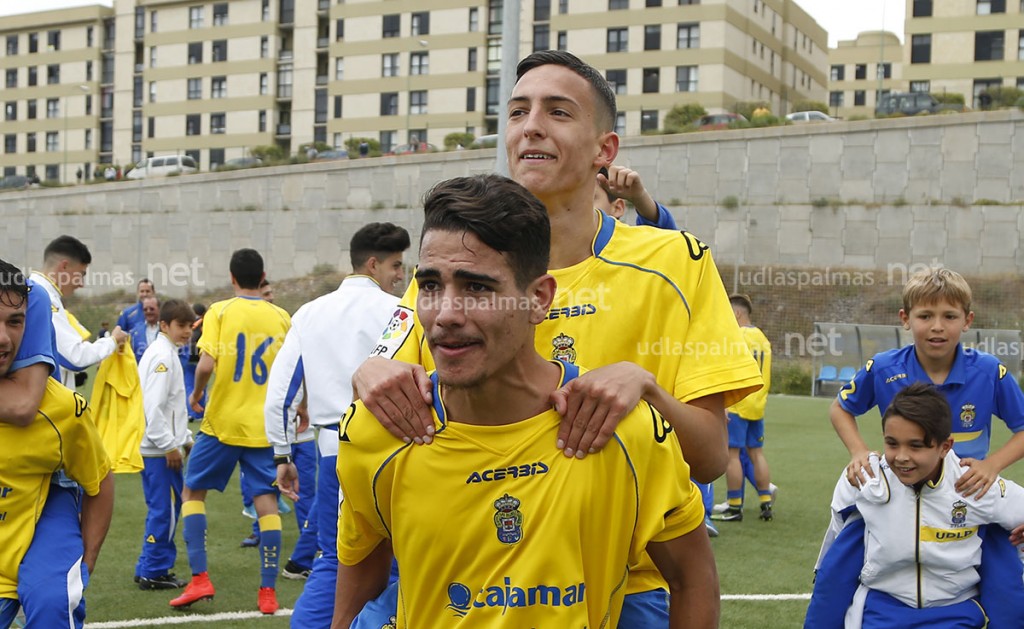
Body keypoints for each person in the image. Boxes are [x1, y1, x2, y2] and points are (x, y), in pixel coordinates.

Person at [352, 50, 762, 624]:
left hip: (622, 585)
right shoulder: (458, 262)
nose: (531, 126)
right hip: (466, 576)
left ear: (605, 149)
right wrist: (367, 372)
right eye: (518, 111)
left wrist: (646, 389)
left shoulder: (677, 262)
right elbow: (384, 376)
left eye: (558, 112)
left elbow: (712, 458)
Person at [332, 174, 718, 628]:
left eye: (477, 288)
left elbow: (692, 578)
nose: (446, 315)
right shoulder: (378, 429)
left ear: (539, 299)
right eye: (432, 286)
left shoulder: (622, 431)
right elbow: (358, 581)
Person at [807, 267, 1024, 628]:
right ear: (906, 319)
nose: (937, 326)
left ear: (967, 321)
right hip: (894, 491)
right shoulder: (885, 367)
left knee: (1009, 593)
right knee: (837, 575)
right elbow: (841, 408)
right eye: (926, 316)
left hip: (968, 497)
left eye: (949, 316)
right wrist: (859, 451)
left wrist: (992, 465)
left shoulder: (988, 371)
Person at [264, 222, 410, 627]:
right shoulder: (401, 311)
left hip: (334, 450)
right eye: (397, 265)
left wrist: (283, 453)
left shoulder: (310, 313)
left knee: (337, 560)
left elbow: (282, 394)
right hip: (398, 449)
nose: (402, 274)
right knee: (401, 563)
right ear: (373, 263)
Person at [811, 383, 1024, 627]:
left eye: (916, 446)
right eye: (892, 444)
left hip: (955, 610)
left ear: (945, 446)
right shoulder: (866, 478)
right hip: (881, 607)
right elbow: (837, 537)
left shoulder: (974, 484)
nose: (901, 456)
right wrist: (822, 576)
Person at [170, 248, 291, 615]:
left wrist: (196, 392)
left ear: (232, 278)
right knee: (266, 503)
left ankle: (200, 578)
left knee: (192, 492)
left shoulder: (221, 310)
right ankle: (268, 592)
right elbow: (290, 371)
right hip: (264, 428)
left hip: (222, 423)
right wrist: (299, 409)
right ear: (263, 275)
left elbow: (206, 362)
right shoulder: (282, 317)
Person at [0, 257, 114, 629]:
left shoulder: (61, 409)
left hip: (30, 542)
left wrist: (88, 560)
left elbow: (100, 480)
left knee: (53, 601)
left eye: (15, 322)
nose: (3, 338)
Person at [134, 299, 197, 591]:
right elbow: (153, 407)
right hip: (158, 450)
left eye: (190, 326)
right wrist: (169, 445)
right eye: (180, 326)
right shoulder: (163, 356)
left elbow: (173, 407)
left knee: (161, 508)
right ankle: (154, 570)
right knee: (166, 510)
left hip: (161, 446)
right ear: (164, 326)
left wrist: (184, 439)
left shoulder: (167, 352)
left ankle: (147, 565)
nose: (187, 332)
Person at [29, 235, 129, 389]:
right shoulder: (42, 297)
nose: (81, 284)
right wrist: (112, 341)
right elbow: (75, 358)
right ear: (64, 266)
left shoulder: (37, 293)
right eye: (81, 274)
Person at [712, 293, 774, 523]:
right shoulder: (762, 338)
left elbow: (725, 370)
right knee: (757, 454)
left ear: (737, 313)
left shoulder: (735, 336)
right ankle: (765, 502)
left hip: (738, 404)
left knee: (733, 456)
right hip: (757, 405)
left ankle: (735, 506)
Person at [594, 164, 677, 229]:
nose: (581, 207)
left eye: (590, 199)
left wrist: (640, 198)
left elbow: (665, 239)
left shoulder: (631, 247)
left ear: (617, 208)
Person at [117, 278, 156, 342]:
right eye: (142, 291)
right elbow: (118, 336)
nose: (145, 294)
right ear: (138, 293)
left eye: (147, 291)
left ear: (153, 292)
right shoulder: (127, 314)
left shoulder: (162, 312)